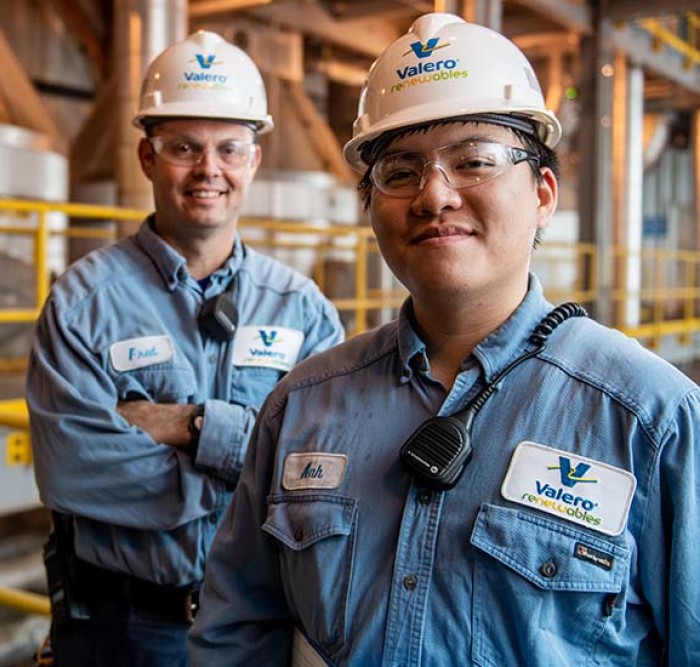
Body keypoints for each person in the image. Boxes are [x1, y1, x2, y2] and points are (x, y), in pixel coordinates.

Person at [188, 13, 700, 666]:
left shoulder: (653, 422)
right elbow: (237, 629)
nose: (434, 195)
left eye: (475, 162)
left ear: (543, 193)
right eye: (400, 172)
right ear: (369, 205)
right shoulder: (304, 405)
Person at [26, 30, 344, 667]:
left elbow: (331, 470)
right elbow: (73, 469)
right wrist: (248, 476)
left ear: (253, 160)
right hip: (122, 629)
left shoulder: (301, 309)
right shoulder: (82, 303)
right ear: (147, 156)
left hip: (259, 626)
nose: (209, 170)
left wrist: (193, 426)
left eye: (229, 149)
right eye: (184, 148)